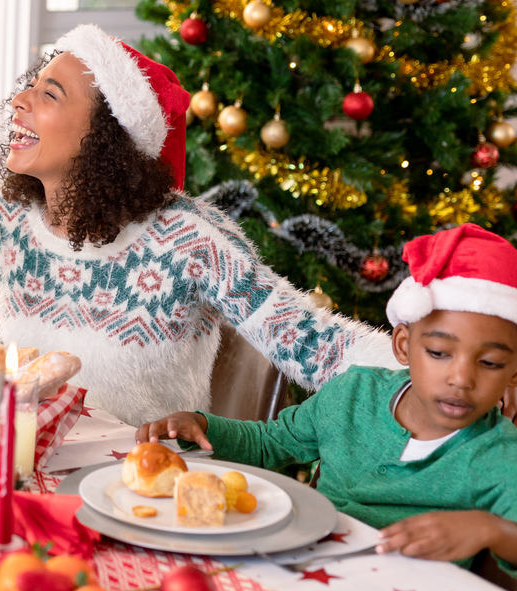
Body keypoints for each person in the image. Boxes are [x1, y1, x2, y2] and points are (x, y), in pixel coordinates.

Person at [0, 23, 396, 426]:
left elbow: (308, 342)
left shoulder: (189, 240)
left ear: (106, 135)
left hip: (143, 481)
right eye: (31, 85)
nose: (19, 100)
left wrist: (423, 368)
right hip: (27, 458)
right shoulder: (9, 216)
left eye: (50, 94)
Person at [137, 224, 517, 571]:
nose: (462, 378)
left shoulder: (501, 456)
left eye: (490, 362)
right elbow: (270, 444)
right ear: (403, 346)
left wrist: (492, 530)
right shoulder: (353, 394)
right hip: (302, 566)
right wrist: (203, 426)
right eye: (438, 353)